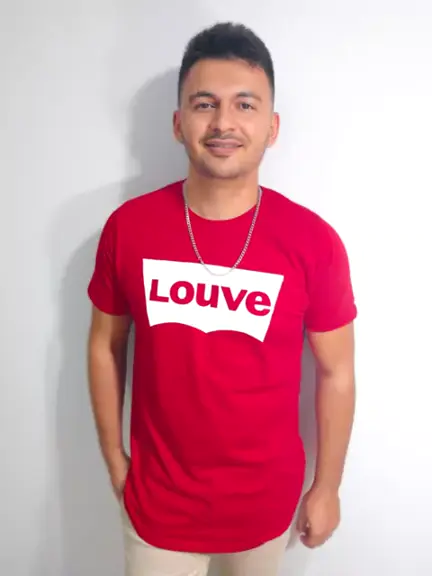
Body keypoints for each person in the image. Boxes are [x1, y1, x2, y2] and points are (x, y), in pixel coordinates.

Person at [87, 21, 357, 576]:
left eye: (245, 105)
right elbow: (104, 347)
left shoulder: (313, 242)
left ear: (272, 127)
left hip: (265, 508)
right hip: (158, 508)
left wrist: (327, 487)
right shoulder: (129, 229)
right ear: (178, 123)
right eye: (204, 103)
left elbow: (337, 372)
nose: (223, 123)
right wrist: (114, 460)